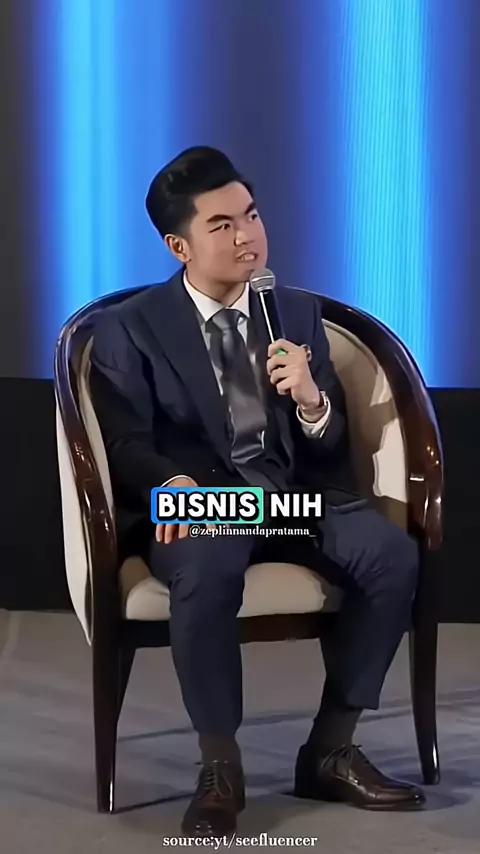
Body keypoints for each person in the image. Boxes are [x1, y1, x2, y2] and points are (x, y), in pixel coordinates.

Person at [89, 146, 425, 837]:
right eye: (222, 225)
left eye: (251, 215)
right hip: (203, 504)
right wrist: (170, 482)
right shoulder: (131, 327)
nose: (247, 236)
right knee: (208, 563)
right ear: (179, 246)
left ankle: (331, 749)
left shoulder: (293, 314)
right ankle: (221, 764)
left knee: (390, 555)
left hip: (292, 499)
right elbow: (123, 442)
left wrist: (311, 401)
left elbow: (329, 451)